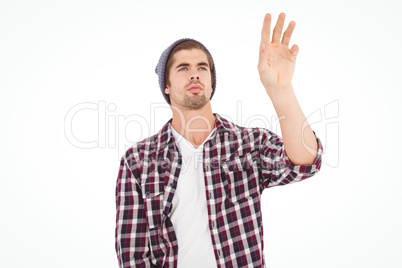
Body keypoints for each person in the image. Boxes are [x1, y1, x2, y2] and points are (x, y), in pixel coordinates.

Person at [115, 13, 323, 268]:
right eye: (183, 68)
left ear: (212, 83)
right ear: (166, 85)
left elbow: (305, 163)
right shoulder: (138, 160)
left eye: (202, 67)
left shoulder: (248, 144)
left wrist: (281, 90)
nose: (195, 74)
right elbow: (133, 256)